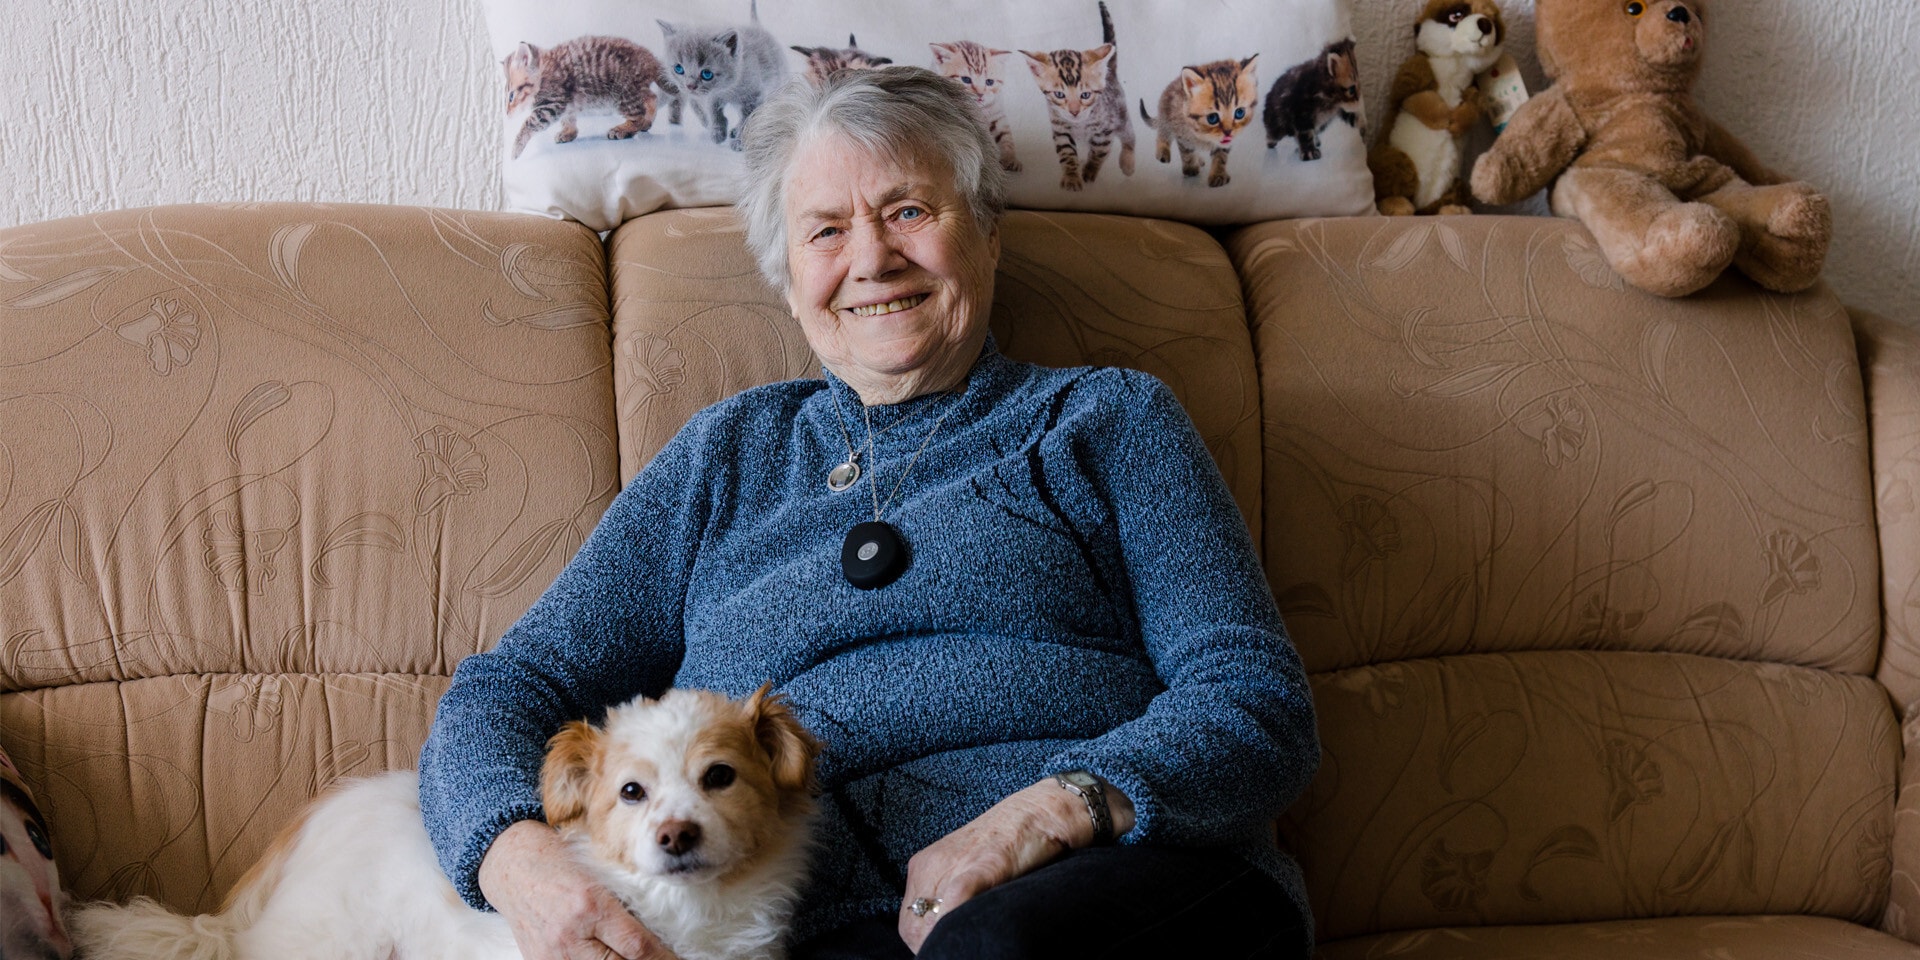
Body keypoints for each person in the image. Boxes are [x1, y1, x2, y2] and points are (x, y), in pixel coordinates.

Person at [419, 65, 1318, 960]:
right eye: (826, 231)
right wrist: (516, 862)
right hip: (827, 925)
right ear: (787, 275)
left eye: (909, 212)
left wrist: (1055, 809)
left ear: (989, 235)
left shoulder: (1103, 420)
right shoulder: (727, 456)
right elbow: (509, 689)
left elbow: (1255, 701)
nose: (873, 258)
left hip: (1118, 874)